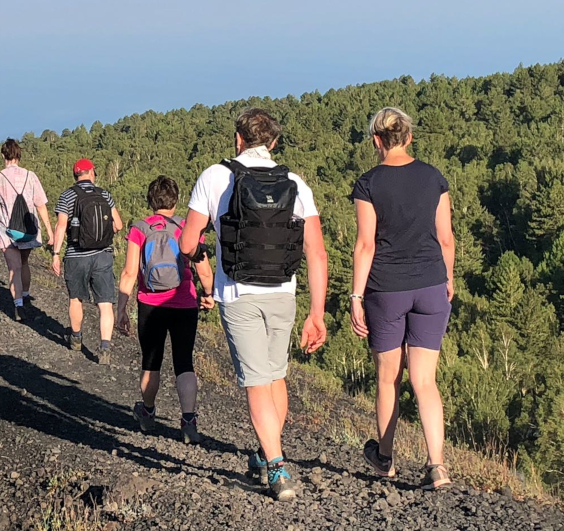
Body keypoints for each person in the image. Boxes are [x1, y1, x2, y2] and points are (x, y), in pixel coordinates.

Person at [180, 108, 328, 501]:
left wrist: (201, 261)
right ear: (274, 143)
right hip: (283, 291)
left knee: (256, 381)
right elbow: (317, 252)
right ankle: (267, 454)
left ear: (238, 138)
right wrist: (317, 312)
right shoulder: (295, 183)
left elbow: (187, 242)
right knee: (275, 375)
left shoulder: (215, 177)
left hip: (238, 294)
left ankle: (277, 467)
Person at [351, 107, 455, 491]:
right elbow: (446, 237)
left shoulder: (369, 183)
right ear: (409, 138)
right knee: (425, 380)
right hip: (431, 285)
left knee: (388, 378)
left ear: (376, 141)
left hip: (386, 289)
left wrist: (356, 296)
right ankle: (437, 466)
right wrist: (448, 277)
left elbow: (365, 245)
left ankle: (385, 458)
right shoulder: (434, 178)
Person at [116, 176, 215, 444]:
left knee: (151, 361)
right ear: (175, 200)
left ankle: (147, 413)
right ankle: (188, 421)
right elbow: (203, 268)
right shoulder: (187, 227)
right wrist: (208, 294)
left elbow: (128, 272)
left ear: (151, 200)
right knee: (184, 362)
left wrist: (121, 309)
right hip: (184, 302)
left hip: (150, 303)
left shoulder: (139, 229)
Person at [52, 158, 123, 365]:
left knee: (76, 299)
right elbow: (117, 225)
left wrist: (56, 254)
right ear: (92, 173)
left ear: (76, 175)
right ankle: (105, 347)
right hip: (103, 255)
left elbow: (60, 226)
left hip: (76, 255)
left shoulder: (67, 195)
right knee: (105, 303)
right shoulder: (104, 195)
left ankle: (76, 338)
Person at [0, 139, 54, 321]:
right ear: (19, 155)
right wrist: (49, 231)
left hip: (8, 231)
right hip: (29, 228)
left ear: (3, 155)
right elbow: (41, 205)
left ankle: (18, 306)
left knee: (13, 268)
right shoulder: (31, 176)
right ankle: (25, 295)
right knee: (24, 264)